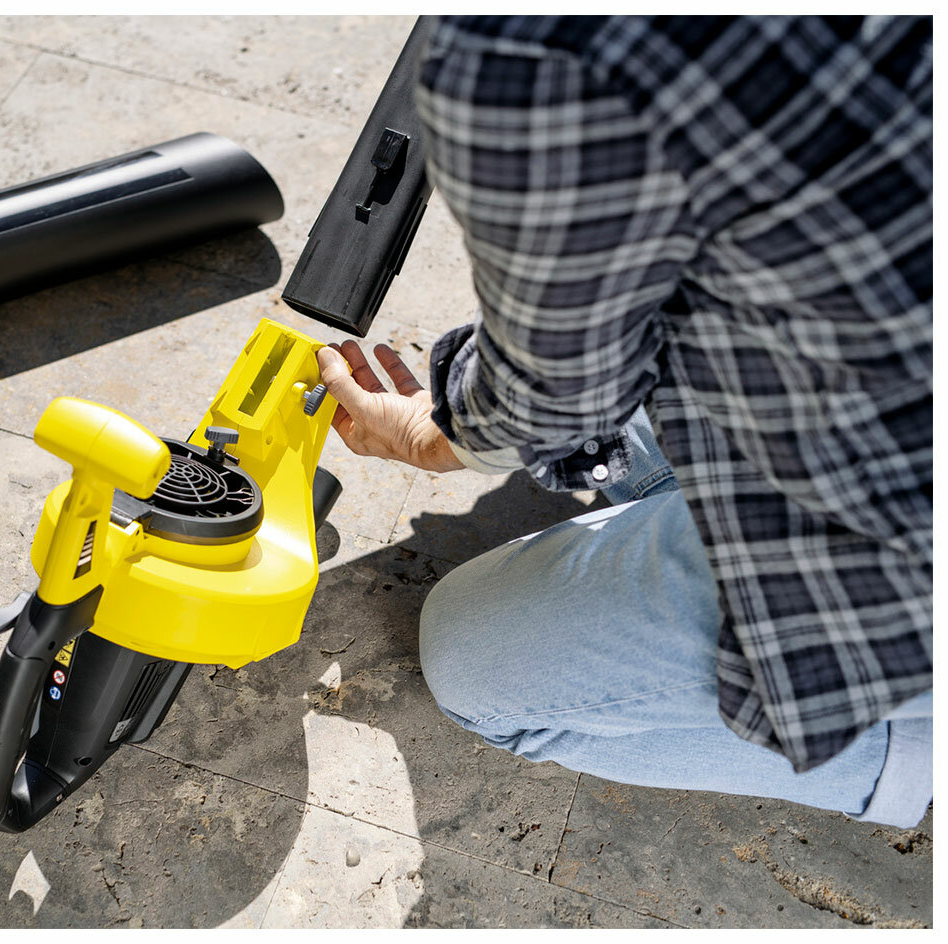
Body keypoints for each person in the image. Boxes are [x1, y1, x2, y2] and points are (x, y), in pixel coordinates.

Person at [315, 15, 931, 828]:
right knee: (639, 419)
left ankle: (891, 727)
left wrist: (437, 434)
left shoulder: (553, 52)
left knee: (473, 658)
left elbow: (556, 374)